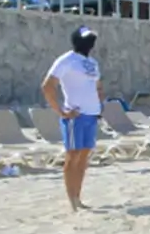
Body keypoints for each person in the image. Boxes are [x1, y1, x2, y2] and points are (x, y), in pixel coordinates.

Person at [41, 26, 103, 212]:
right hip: (75, 115)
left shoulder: (92, 62)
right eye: (86, 39)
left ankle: (78, 196)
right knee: (73, 155)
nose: (90, 43)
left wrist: (100, 105)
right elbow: (48, 86)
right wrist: (60, 111)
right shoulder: (67, 60)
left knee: (84, 156)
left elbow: (98, 86)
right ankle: (72, 199)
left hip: (92, 114)